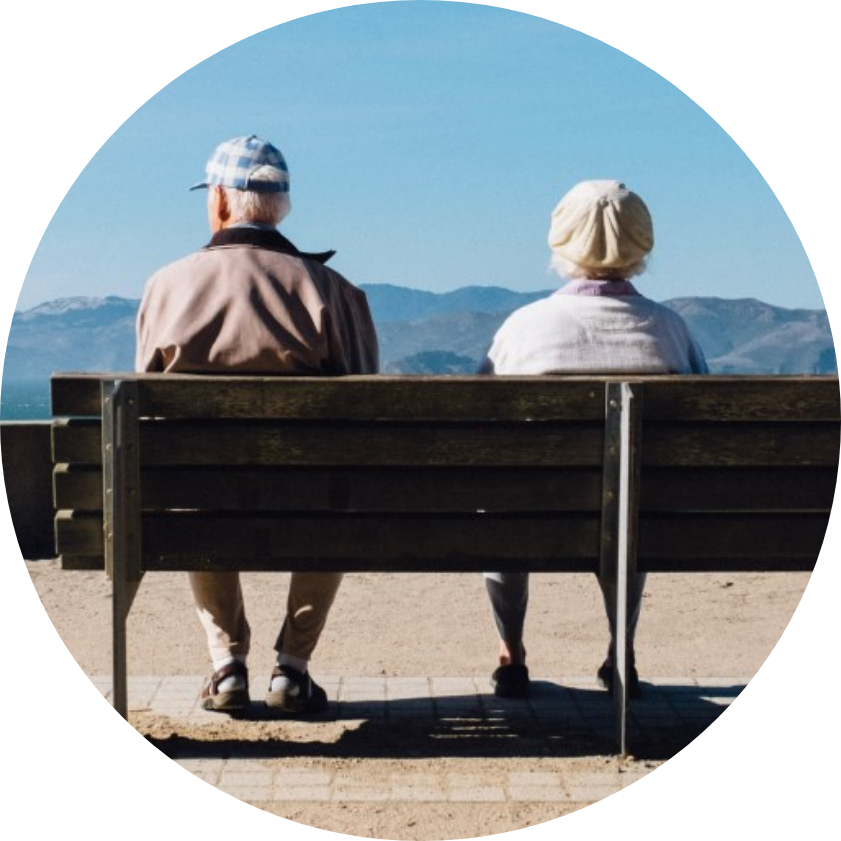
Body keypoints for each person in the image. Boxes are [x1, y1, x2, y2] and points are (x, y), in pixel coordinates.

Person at [135, 134, 379, 714]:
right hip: (310, 499)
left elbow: (142, 411)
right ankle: (292, 669)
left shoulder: (165, 286)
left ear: (219, 200)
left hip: (203, 500)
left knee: (192, 488)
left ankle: (226, 667)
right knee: (335, 495)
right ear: (280, 208)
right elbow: (370, 410)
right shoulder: (333, 293)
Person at [479, 179, 708, 700]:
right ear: (642, 244)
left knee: (502, 510)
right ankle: (620, 650)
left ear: (559, 243)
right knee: (628, 505)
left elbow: (481, 428)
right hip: (640, 517)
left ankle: (512, 654)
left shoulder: (524, 328)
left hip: (534, 515)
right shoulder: (670, 329)